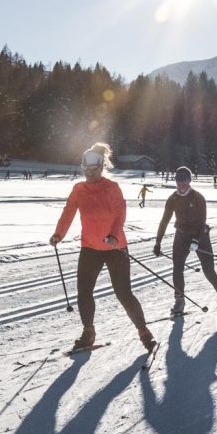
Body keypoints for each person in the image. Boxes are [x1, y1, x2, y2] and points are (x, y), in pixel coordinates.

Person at [50, 142, 156, 353]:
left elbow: (119, 214)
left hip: (115, 247)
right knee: (84, 292)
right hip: (90, 248)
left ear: (100, 168)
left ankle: (144, 332)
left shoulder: (112, 188)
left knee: (123, 293)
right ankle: (88, 332)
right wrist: (58, 234)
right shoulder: (79, 189)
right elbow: (68, 212)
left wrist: (114, 235)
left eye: (93, 169)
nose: (89, 173)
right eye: (86, 169)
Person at [153, 166, 217, 316]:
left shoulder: (198, 198)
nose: (181, 183)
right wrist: (158, 242)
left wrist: (196, 240)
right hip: (181, 236)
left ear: (189, 180)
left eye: (184, 180)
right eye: (178, 180)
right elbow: (164, 221)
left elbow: (201, 223)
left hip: (201, 235)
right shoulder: (173, 198)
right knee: (177, 268)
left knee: (209, 271)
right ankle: (179, 301)